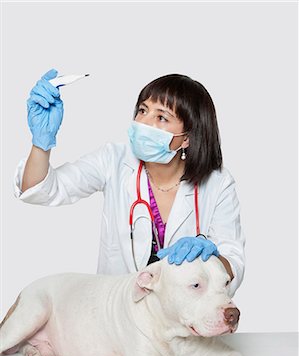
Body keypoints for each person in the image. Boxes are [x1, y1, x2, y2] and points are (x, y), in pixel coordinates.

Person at [14, 69, 245, 296]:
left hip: (182, 321)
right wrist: (41, 144)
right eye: (143, 110)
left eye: (161, 117)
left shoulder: (218, 183)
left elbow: (233, 261)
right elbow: (42, 190)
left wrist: (213, 258)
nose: (143, 122)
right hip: (115, 318)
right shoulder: (113, 160)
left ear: (187, 138)